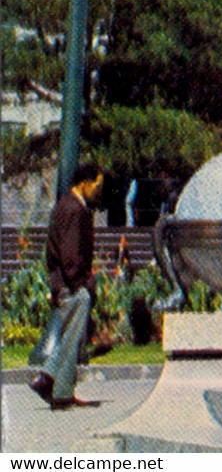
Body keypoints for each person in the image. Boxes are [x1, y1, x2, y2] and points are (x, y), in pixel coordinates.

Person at [29, 162, 104, 410]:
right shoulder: (74, 210)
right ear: (85, 182)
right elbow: (71, 254)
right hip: (72, 285)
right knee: (71, 338)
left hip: (63, 282)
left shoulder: (66, 205)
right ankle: (47, 378)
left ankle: (61, 394)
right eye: (97, 185)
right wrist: (83, 282)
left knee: (71, 338)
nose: (99, 190)